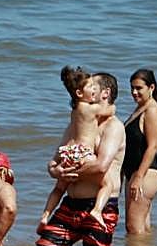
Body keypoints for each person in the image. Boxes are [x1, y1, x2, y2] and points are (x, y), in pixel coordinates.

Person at [34, 71, 126, 246]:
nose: (91, 91)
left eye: (94, 86)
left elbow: (101, 166)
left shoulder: (114, 127)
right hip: (71, 203)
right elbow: (55, 161)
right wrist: (56, 170)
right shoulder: (78, 122)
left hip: (100, 206)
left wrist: (70, 170)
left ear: (105, 93)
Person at [43, 67, 120, 230]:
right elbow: (111, 109)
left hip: (69, 152)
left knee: (59, 188)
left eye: (94, 86)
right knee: (108, 184)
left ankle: (45, 215)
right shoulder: (91, 109)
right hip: (83, 153)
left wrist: (57, 169)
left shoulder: (75, 110)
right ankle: (97, 210)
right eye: (90, 87)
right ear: (79, 93)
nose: (93, 90)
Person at [122, 69, 157, 235]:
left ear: (151, 87)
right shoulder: (139, 109)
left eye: (139, 88)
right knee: (142, 228)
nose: (134, 92)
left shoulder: (152, 110)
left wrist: (139, 177)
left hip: (146, 174)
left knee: (133, 228)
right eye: (132, 88)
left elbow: (153, 146)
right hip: (135, 174)